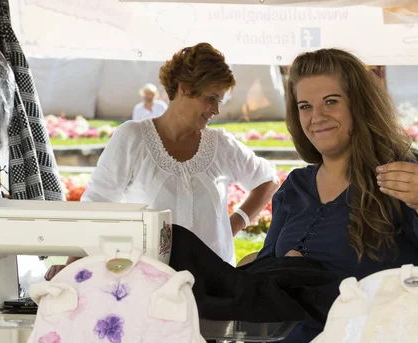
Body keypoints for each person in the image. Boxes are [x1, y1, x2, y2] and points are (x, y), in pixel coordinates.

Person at [254, 48, 418, 343]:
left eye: (331, 102)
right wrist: (285, 270)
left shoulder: (399, 177)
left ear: (358, 106)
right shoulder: (294, 188)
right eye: (305, 106)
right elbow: (261, 279)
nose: (316, 117)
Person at [45, 43, 279, 279]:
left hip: (215, 286)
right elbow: (98, 205)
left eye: (220, 100)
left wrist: (235, 224)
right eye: (211, 98)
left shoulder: (221, 145)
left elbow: (267, 180)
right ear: (184, 89)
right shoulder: (133, 138)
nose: (216, 110)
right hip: (148, 285)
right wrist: (71, 267)